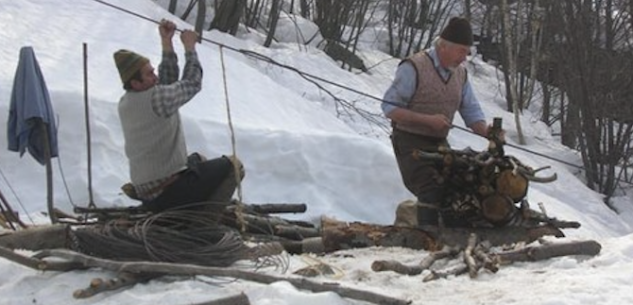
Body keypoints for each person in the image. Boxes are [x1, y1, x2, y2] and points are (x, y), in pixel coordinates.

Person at [114, 19, 243, 216]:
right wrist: (190, 48)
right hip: (164, 192)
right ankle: (202, 221)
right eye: (149, 74)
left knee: (198, 159)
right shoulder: (156, 98)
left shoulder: (128, 101)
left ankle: (193, 208)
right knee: (234, 166)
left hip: (148, 188)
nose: (155, 77)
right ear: (136, 83)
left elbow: (167, 83)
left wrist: (167, 43)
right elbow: (192, 83)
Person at [382, 17, 490, 228]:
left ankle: (452, 235)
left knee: (457, 183)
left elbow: (471, 110)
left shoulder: (460, 74)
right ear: (443, 46)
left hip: (438, 142)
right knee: (430, 185)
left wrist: (487, 131)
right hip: (409, 140)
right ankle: (427, 238)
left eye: (467, 52)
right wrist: (426, 120)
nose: (464, 58)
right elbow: (389, 108)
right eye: (461, 51)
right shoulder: (413, 67)